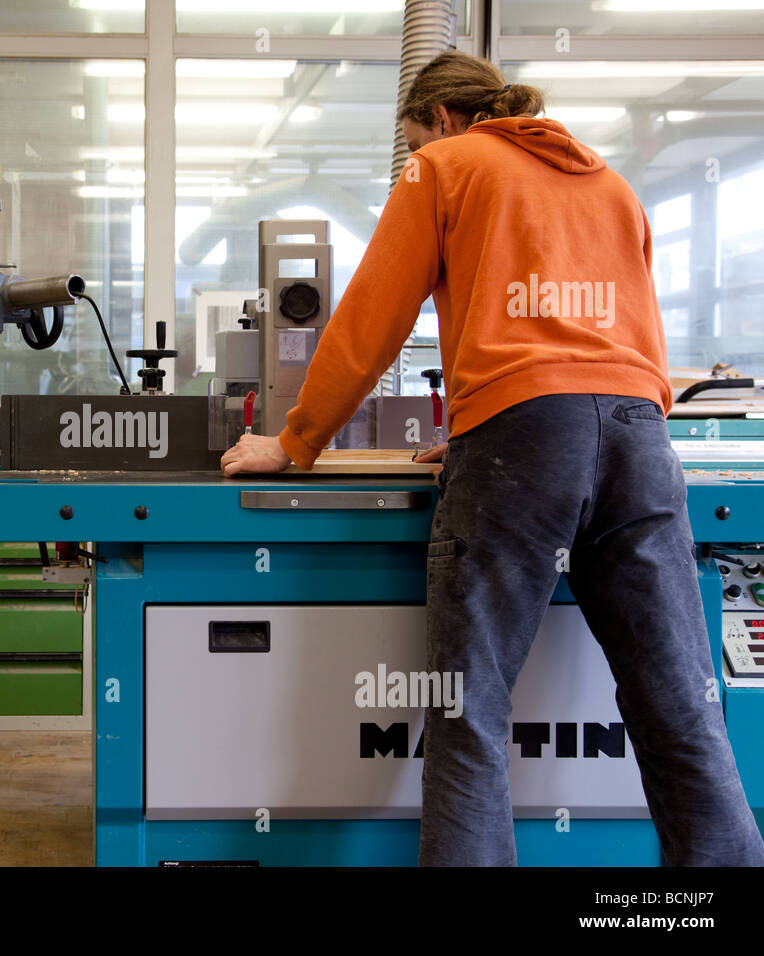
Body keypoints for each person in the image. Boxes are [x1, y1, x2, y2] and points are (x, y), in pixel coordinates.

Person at [220, 51, 764, 866]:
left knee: (467, 710)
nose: (413, 154)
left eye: (411, 139)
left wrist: (297, 442)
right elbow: (628, 347)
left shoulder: (445, 165)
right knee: (681, 700)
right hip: (639, 442)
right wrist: (490, 417)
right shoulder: (610, 185)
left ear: (439, 121)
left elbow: (374, 318)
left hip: (526, 448)